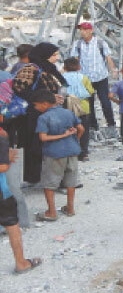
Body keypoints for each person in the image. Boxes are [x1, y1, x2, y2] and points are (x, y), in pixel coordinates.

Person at [12, 43, 66, 185]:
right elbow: (18, 88)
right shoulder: (31, 68)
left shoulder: (49, 69)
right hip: (33, 114)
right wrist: (45, 98)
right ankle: (33, 178)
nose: (57, 58)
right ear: (44, 55)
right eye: (54, 55)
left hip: (49, 111)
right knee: (34, 144)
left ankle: (51, 177)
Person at [32, 89, 83, 221]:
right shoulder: (68, 112)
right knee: (71, 181)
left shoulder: (43, 117)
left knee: (50, 182)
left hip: (54, 153)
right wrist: (75, 140)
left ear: (44, 104)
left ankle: (52, 212)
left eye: (36, 105)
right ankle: (70, 208)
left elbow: (43, 138)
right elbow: (81, 128)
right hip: (72, 151)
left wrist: (63, 135)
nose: (35, 107)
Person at [0, 123, 42, 274]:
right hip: (2, 193)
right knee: (12, 226)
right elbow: (3, 167)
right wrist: (7, 158)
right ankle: (21, 263)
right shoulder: (2, 138)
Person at [69, 22, 118, 131]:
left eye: (85, 29)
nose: (83, 32)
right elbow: (75, 60)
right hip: (85, 79)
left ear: (91, 30)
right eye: (81, 29)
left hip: (101, 77)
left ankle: (111, 124)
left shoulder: (100, 43)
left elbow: (108, 58)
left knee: (105, 101)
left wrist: (113, 70)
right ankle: (93, 126)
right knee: (89, 103)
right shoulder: (77, 44)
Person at [62, 57, 95, 161]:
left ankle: (69, 151)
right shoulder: (84, 77)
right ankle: (83, 153)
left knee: (68, 129)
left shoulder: (62, 77)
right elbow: (90, 92)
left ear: (64, 67)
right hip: (83, 108)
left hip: (66, 107)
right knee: (84, 130)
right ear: (79, 67)